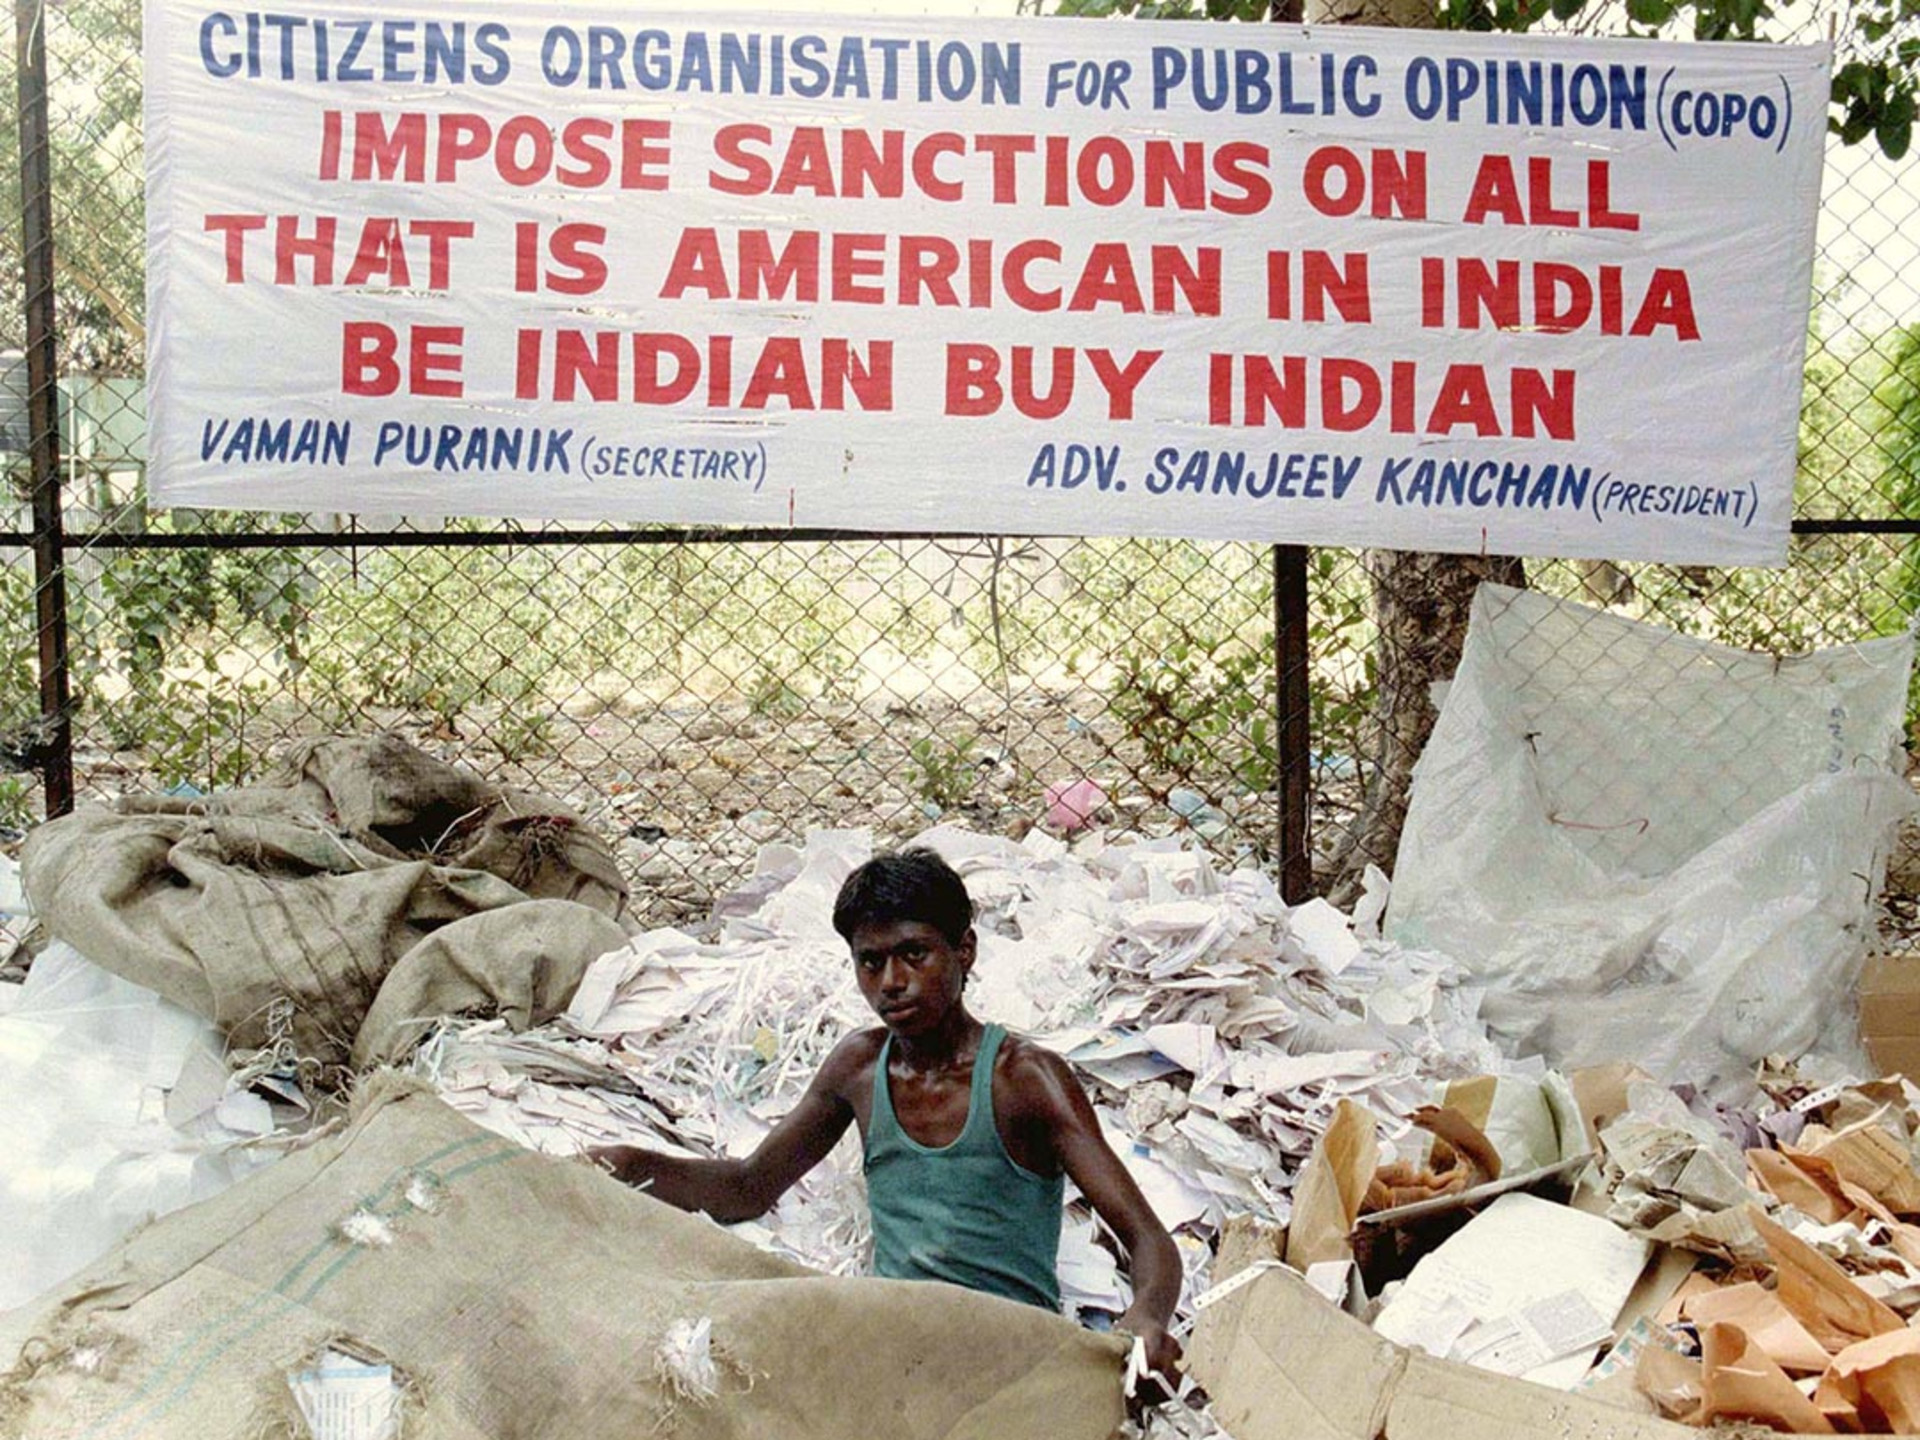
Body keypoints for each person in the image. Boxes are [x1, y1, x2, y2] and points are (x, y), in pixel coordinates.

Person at [591, 846, 1184, 1392]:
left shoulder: (1023, 1080)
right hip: (894, 1348)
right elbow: (748, 1188)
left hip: (1011, 1359)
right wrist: (627, 1165)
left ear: (965, 951)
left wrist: (1146, 1319)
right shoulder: (859, 1068)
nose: (892, 983)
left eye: (913, 954)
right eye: (870, 962)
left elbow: (1148, 1240)